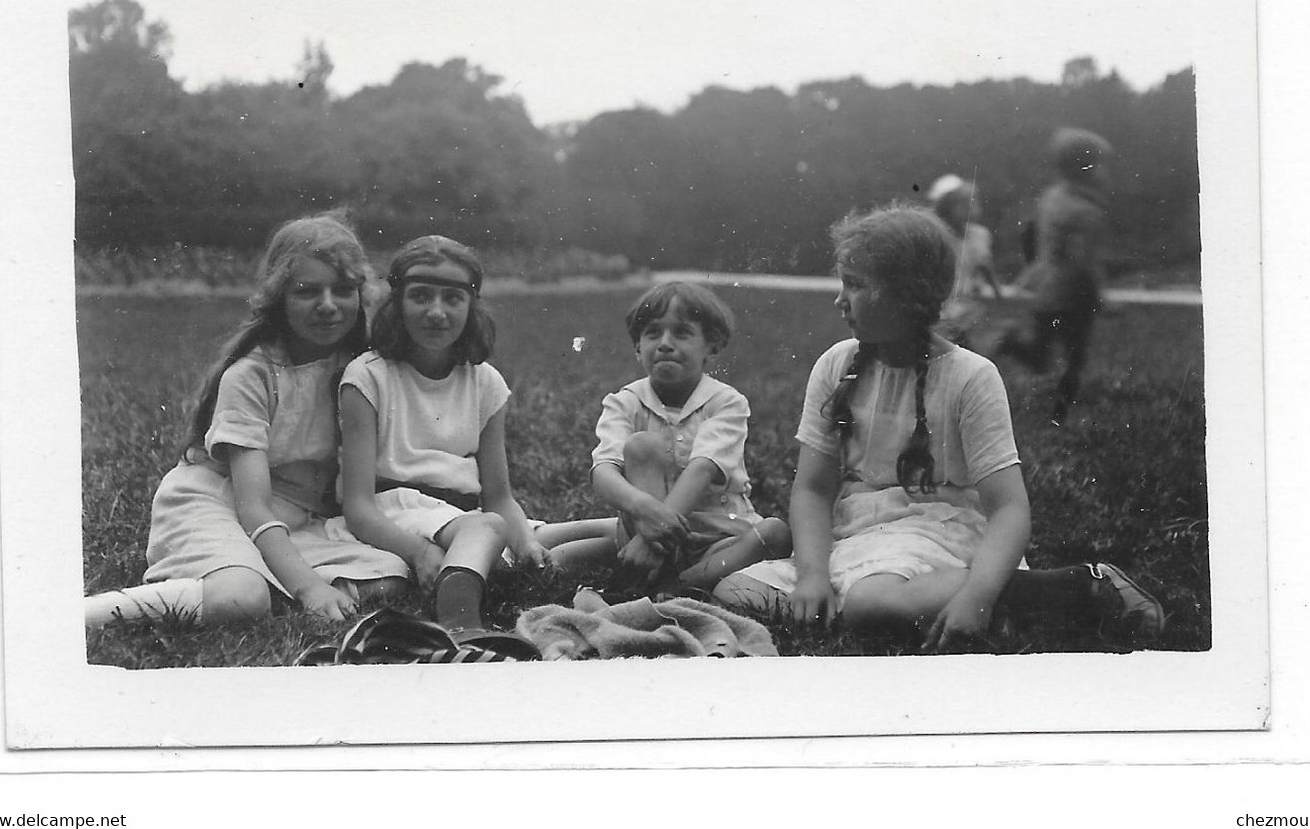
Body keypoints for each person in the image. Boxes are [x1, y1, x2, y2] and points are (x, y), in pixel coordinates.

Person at [713, 202, 1163, 651]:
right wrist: (812, 576)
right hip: (858, 531)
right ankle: (920, 597)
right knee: (735, 591)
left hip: (938, 529)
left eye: (855, 285)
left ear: (907, 295)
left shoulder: (970, 376)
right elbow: (812, 488)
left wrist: (977, 596)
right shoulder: (836, 365)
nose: (839, 300)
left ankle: (1075, 588)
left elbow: (1008, 508)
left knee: (870, 603)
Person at [85, 212, 410, 629]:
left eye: (343, 290)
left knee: (389, 578)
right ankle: (80, 617)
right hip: (219, 504)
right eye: (307, 292)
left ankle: (269, 580)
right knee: (241, 599)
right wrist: (309, 587)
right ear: (279, 299)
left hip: (296, 521)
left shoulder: (358, 369)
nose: (328, 306)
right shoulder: (252, 376)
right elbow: (252, 506)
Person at [334, 235, 614, 645]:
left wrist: (523, 543)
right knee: (485, 529)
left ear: (471, 306)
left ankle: (511, 567)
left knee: (609, 529)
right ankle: (460, 625)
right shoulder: (368, 376)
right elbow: (357, 506)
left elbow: (498, 496)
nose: (436, 312)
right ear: (397, 303)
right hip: (397, 512)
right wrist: (416, 552)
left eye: (452, 299)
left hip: (468, 517)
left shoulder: (484, 382)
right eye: (420, 297)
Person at [589, 281, 791, 593]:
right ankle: (669, 577)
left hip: (719, 539)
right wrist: (644, 510)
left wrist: (650, 538)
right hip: (643, 529)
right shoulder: (624, 401)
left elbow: (703, 468)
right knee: (642, 445)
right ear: (637, 345)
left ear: (712, 344)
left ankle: (678, 584)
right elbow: (603, 471)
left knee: (774, 533)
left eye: (681, 333)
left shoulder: (726, 402)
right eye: (653, 333)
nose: (665, 343)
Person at [995, 127, 1114, 424]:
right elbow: (1082, 263)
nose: (1103, 170)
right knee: (1075, 359)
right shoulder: (1087, 211)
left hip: (1046, 291)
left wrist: (1035, 269)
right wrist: (1099, 297)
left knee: (1040, 355)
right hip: (1073, 296)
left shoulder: (1052, 197)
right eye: (1099, 163)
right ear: (1085, 168)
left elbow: (1033, 234)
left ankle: (1009, 342)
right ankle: (1059, 417)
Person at [926, 174, 1003, 343]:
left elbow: (985, 266)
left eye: (972, 200)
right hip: (943, 306)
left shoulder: (980, 235)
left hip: (968, 306)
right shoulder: (935, 236)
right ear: (946, 206)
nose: (970, 206)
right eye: (962, 202)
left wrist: (999, 296)